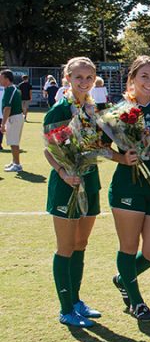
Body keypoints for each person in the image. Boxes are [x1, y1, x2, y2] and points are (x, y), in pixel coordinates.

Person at [43, 57, 104, 327]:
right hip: (66, 185)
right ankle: (66, 309)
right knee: (65, 247)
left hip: (89, 182)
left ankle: (77, 301)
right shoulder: (59, 110)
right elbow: (49, 150)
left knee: (81, 244)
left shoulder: (93, 109)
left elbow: (98, 144)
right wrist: (64, 173)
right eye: (78, 77)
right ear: (67, 78)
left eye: (89, 77)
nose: (84, 82)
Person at [108, 56, 150, 322]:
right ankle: (137, 302)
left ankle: (123, 279)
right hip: (128, 186)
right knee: (129, 247)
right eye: (144, 76)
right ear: (132, 79)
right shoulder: (119, 110)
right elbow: (94, 143)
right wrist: (121, 158)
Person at [1, 70, 24, 172]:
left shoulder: (10, 90)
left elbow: (7, 108)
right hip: (16, 117)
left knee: (14, 142)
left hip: (13, 118)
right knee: (12, 141)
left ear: (6, 79)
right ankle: (14, 161)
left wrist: (2, 124)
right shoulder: (14, 88)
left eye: (1, 78)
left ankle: (17, 164)